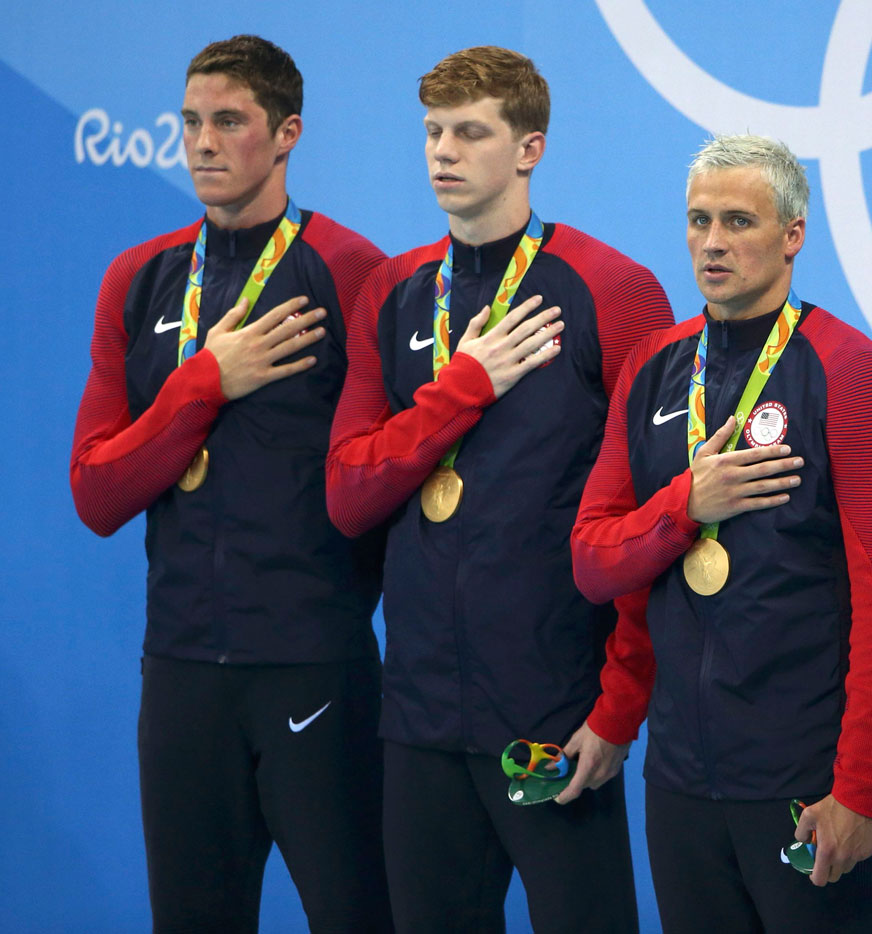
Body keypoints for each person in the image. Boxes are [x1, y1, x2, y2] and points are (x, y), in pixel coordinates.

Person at [325, 46, 673, 933]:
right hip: (420, 717)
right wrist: (463, 388)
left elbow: (649, 526)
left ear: (530, 150)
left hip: (557, 713)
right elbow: (348, 495)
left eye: (470, 132)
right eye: (434, 132)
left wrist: (618, 706)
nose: (443, 152)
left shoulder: (615, 292)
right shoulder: (393, 292)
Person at [570, 134, 872, 932]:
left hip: (802, 783)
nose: (712, 242)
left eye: (738, 221)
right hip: (678, 782)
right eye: (699, 220)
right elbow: (598, 565)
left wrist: (861, 790)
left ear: (793, 234)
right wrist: (685, 507)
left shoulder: (855, 376)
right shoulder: (654, 368)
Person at [69, 35, 391, 933]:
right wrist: (205, 381)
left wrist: (328, 609)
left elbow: (383, 481)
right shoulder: (137, 279)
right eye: (189, 123)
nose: (203, 143)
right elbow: (96, 494)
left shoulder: (351, 271)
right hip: (180, 675)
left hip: (313, 666)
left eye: (229, 122)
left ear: (286, 134)